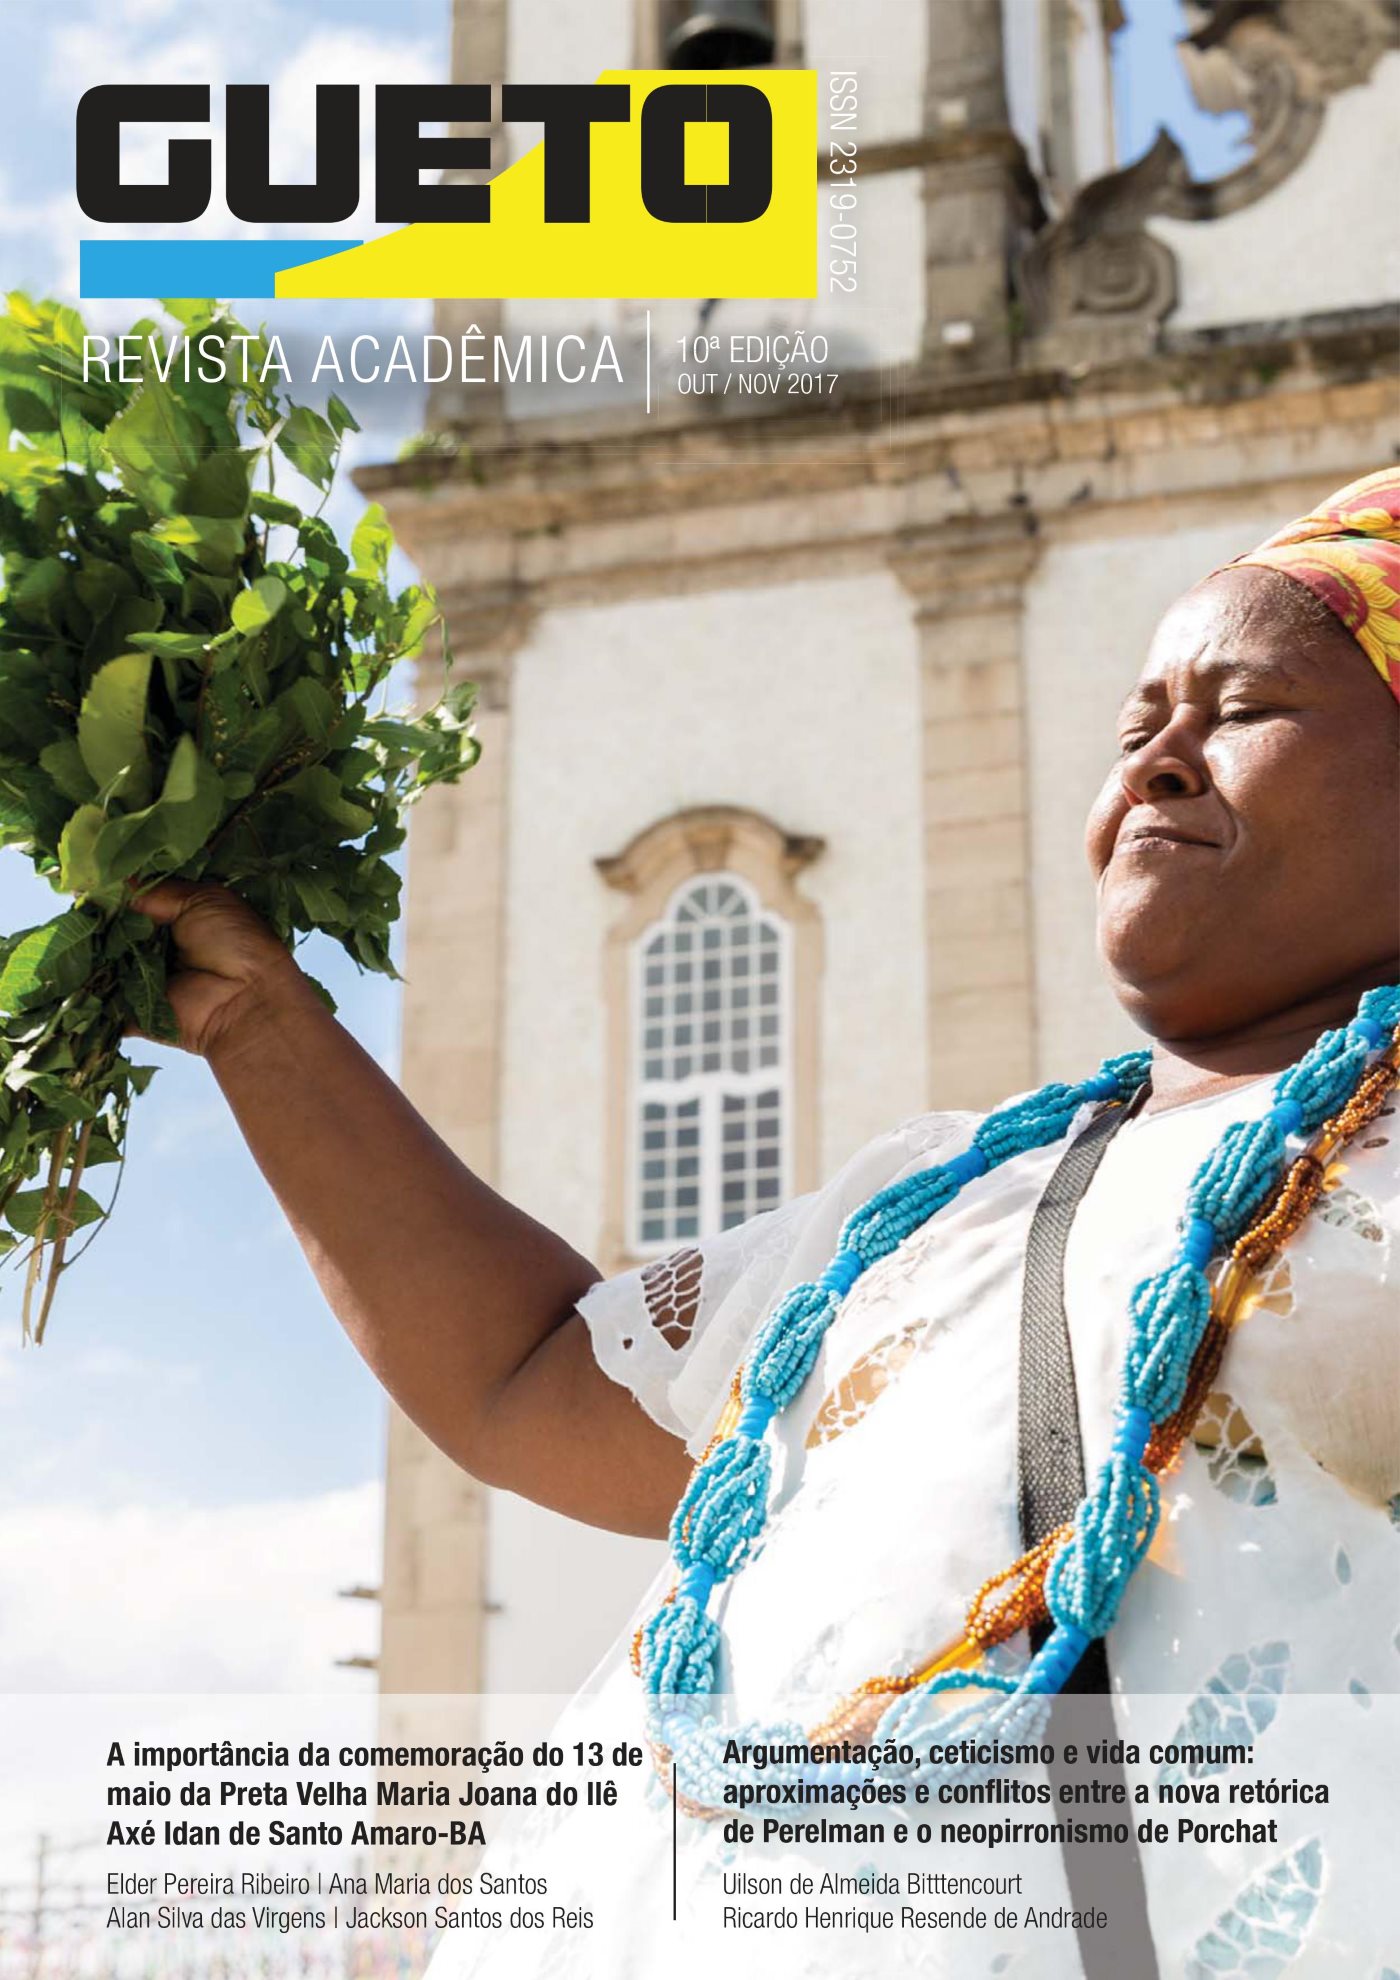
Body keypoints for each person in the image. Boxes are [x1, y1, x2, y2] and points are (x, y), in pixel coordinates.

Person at [137, 471, 1400, 1976]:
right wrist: (259, 1021)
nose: (1163, 762)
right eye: (1137, 729)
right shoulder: (932, 1196)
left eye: (1245, 707)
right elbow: (533, 1367)